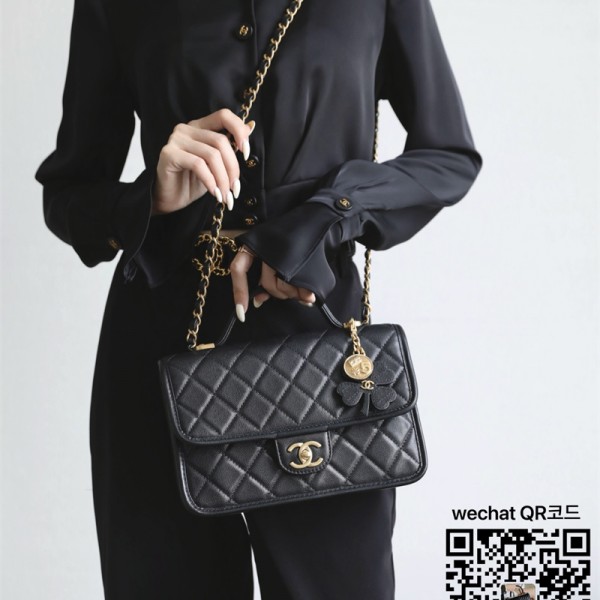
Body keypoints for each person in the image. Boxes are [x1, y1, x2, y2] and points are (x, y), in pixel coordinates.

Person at [34, 0, 483, 598]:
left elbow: (448, 156)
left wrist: (327, 216)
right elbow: (68, 194)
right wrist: (151, 198)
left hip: (322, 351)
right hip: (159, 356)